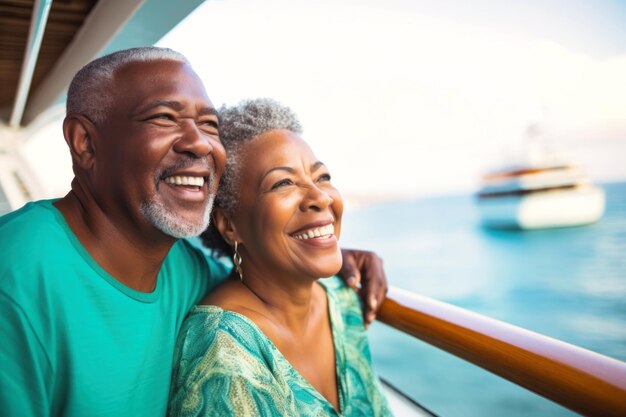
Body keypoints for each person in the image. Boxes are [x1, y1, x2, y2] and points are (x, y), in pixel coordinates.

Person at [0, 47, 387, 417]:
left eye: (208, 125)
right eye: (164, 117)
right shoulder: (16, 276)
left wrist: (330, 250)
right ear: (85, 143)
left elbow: (261, 275)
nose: (199, 142)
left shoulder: (184, 268)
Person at [168, 98, 393, 416]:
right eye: (283, 183)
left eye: (322, 177)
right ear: (229, 225)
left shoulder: (342, 299)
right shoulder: (223, 352)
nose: (319, 197)